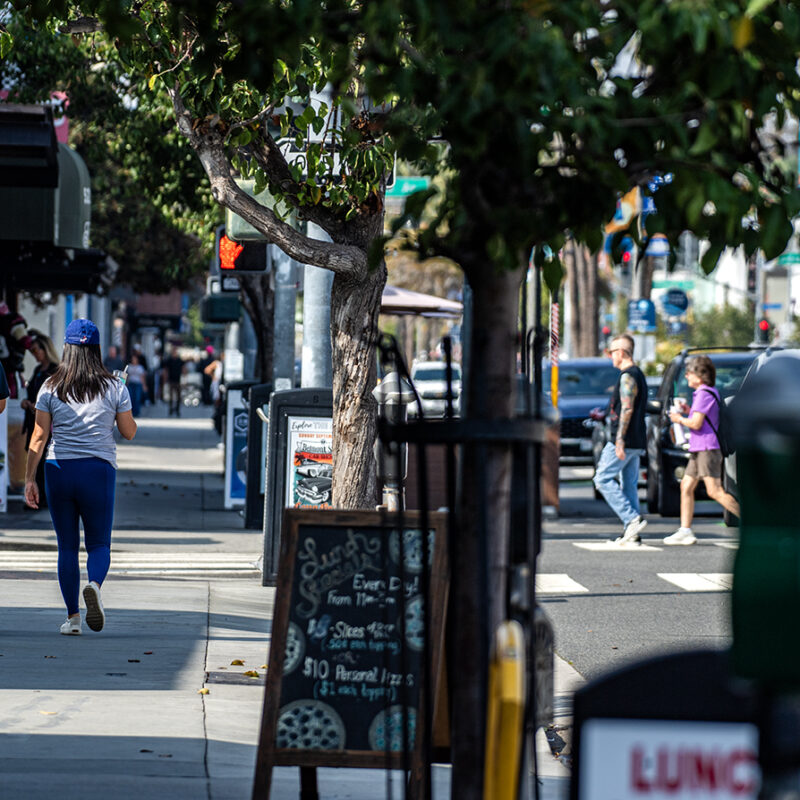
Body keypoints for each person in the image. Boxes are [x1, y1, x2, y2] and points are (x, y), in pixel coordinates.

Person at [23, 319, 137, 636]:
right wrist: (120, 406)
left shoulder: (50, 386)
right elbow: (128, 433)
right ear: (97, 350)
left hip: (58, 470)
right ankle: (95, 586)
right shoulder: (115, 387)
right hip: (98, 470)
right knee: (99, 543)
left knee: (67, 547)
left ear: (67, 349)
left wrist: (30, 479)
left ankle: (73, 618)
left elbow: (38, 437)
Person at [665, 355, 741, 545]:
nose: (687, 377)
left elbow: (696, 423)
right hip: (699, 448)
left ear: (700, 375)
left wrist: (678, 419)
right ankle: (685, 530)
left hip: (707, 448)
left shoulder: (704, 393)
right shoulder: (706, 393)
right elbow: (702, 417)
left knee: (715, 491)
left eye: (689, 373)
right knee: (686, 486)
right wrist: (687, 409)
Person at [593, 333, 649, 545]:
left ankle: (631, 518)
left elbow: (627, 408)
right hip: (636, 439)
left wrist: (619, 440)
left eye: (612, 351)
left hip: (623, 438)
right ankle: (632, 533)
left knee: (602, 479)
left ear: (622, 353)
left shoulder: (627, 376)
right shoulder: (638, 375)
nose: (610, 356)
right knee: (629, 485)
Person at [20, 331, 60, 507]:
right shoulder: (37, 371)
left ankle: (43, 496)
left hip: (48, 423)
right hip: (32, 420)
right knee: (34, 455)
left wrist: (38, 406)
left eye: (37, 350)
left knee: (44, 458)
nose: (35, 354)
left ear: (45, 349)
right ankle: (35, 494)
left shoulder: (55, 371)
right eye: (32, 351)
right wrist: (27, 402)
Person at [162, 345, 186, 417]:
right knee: (171, 397)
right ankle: (170, 409)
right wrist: (165, 379)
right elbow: (166, 370)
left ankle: (177, 410)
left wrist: (184, 378)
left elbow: (183, 369)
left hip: (178, 380)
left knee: (178, 397)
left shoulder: (180, 360)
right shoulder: (169, 360)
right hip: (171, 380)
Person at [126, 352, 148, 416]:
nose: (134, 360)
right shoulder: (129, 366)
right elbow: (127, 376)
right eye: (133, 359)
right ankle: (131, 412)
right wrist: (126, 384)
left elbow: (142, 377)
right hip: (131, 383)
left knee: (137, 398)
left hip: (138, 384)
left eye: (135, 359)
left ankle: (137, 412)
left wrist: (144, 385)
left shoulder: (140, 367)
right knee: (131, 398)